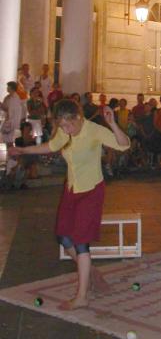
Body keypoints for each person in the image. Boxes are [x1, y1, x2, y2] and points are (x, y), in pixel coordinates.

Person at [8, 99, 130, 310]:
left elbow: (124, 144)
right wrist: (24, 151)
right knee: (63, 237)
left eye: (68, 125)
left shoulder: (94, 130)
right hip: (72, 189)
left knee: (81, 242)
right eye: (62, 126)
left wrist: (113, 124)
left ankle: (81, 297)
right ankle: (90, 271)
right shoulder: (65, 132)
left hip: (91, 190)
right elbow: (52, 145)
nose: (65, 130)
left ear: (78, 118)